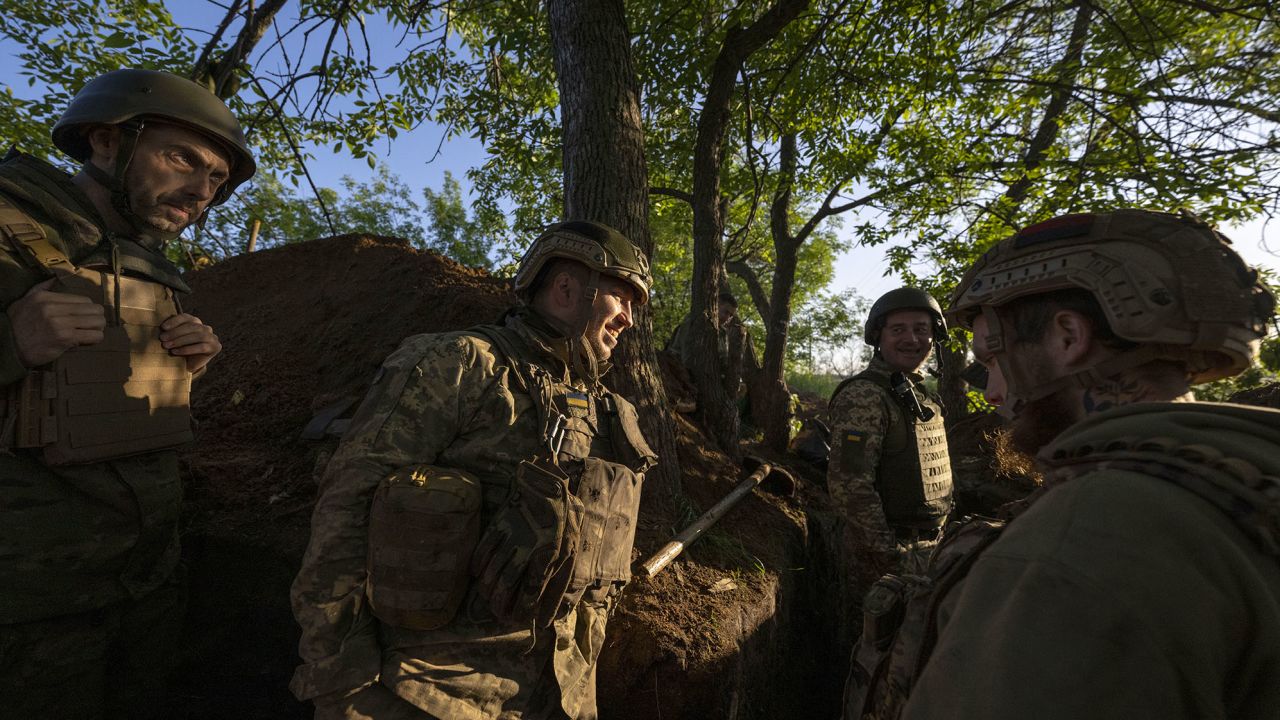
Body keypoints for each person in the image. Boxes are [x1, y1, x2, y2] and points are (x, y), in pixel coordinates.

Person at [846, 209, 1280, 719]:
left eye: (991, 360)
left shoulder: (1072, 545)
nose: (992, 393)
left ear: (1068, 338)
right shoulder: (1238, 479)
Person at [290, 220, 658, 719]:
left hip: (560, 695)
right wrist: (340, 678)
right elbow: (345, 512)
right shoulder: (459, 364)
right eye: (622, 297)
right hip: (427, 692)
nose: (629, 320)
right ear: (568, 288)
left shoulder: (609, 409)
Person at [0, 69, 253, 718]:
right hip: (30, 602)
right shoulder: (7, 225)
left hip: (148, 576)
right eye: (182, 159)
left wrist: (184, 367)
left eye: (217, 180)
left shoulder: (151, 265)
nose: (200, 190)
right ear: (107, 140)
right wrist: (10, 343)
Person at [826, 287, 953, 580]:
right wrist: (889, 555)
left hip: (928, 549)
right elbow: (850, 486)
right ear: (878, 337)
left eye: (921, 329)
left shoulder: (919, 394)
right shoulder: (865, 395)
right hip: (886, 561)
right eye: (898, 329)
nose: (911, 339)